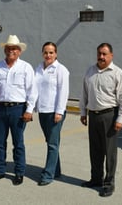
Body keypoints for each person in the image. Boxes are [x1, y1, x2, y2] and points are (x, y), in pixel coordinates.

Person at [0, 35, 37, 186]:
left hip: (18, 109)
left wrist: (29, 110)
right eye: (8, 48)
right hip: (1, 108)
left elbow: (32, 91)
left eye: (14, 48)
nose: (11, 51)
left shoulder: (26, 67)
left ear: (19, 51)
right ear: (5, 50)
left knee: (18, 143)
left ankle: (19, 172)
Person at [79, 43, 122, 197]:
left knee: (109, 152)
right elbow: (84, 93)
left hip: (109, 116)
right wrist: (83, 112)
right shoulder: (90, 71)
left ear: (111, 56)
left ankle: (109, 183)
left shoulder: (117, 73)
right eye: (99, 53)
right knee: (95, 150)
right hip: (93, 115)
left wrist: (120, 118)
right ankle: (96, 179)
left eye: (104, 54)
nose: (101, 57)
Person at [34, 42, 70, 186]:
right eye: (45, 52)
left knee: (53, 144)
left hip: (55, 112)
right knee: (50, 142)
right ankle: (56, 170)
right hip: (43, 111)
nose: (48, 55)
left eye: (51, 52)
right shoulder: (38, 68)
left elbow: (63, 92)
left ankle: (48, 175)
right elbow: (34, 89)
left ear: (56, 54)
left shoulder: (61, 70)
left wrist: (59, 112)